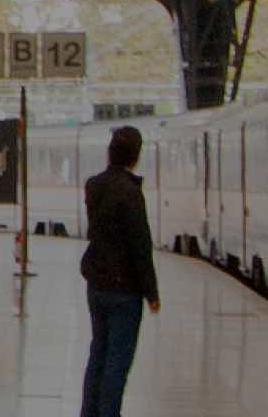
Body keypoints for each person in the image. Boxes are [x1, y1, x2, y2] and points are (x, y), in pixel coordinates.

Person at [77, 127, 159, 417]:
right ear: (135, 156)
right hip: (124, 290)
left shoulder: (93, 185)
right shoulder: (131, 192)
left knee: (98, 353)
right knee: (117, 362)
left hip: (96, 285)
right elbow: (140, 244)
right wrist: (152, 292)